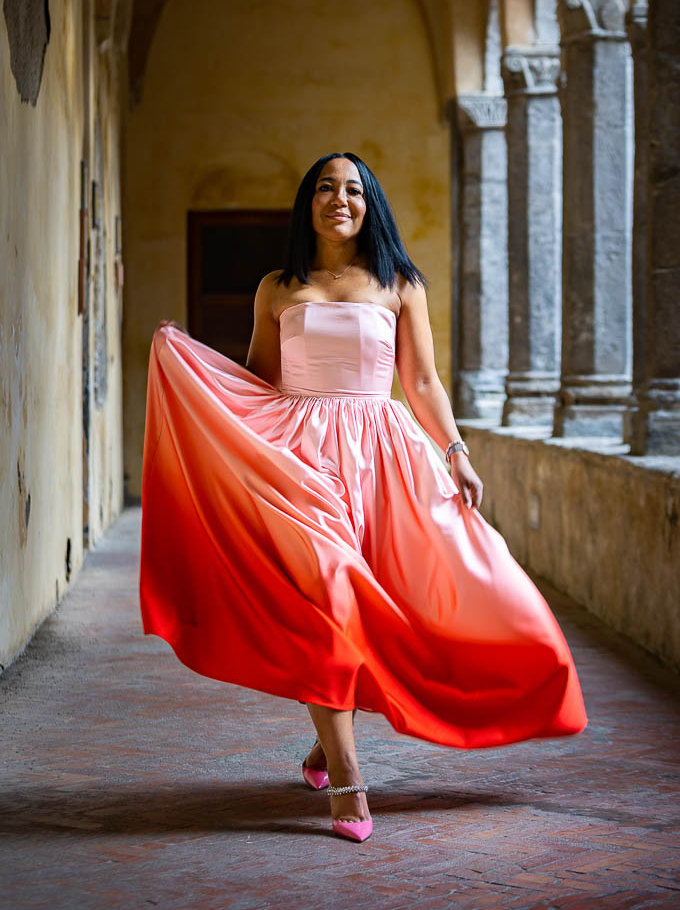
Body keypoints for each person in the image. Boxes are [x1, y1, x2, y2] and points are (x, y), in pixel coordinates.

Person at [139, 152, 587, 845]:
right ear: (308, 203)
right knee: (330, 596)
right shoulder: (276, 287)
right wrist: (192, 378)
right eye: (325, 187)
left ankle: (326, 740)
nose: (338, 198)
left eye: (352, 189)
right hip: (299, 464)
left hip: (382, 457)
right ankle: (348, 779)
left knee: (417, 600)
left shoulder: (399, 284)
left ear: (369, 203)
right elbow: (260, 382)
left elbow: (424, 381)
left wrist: (456, 451)